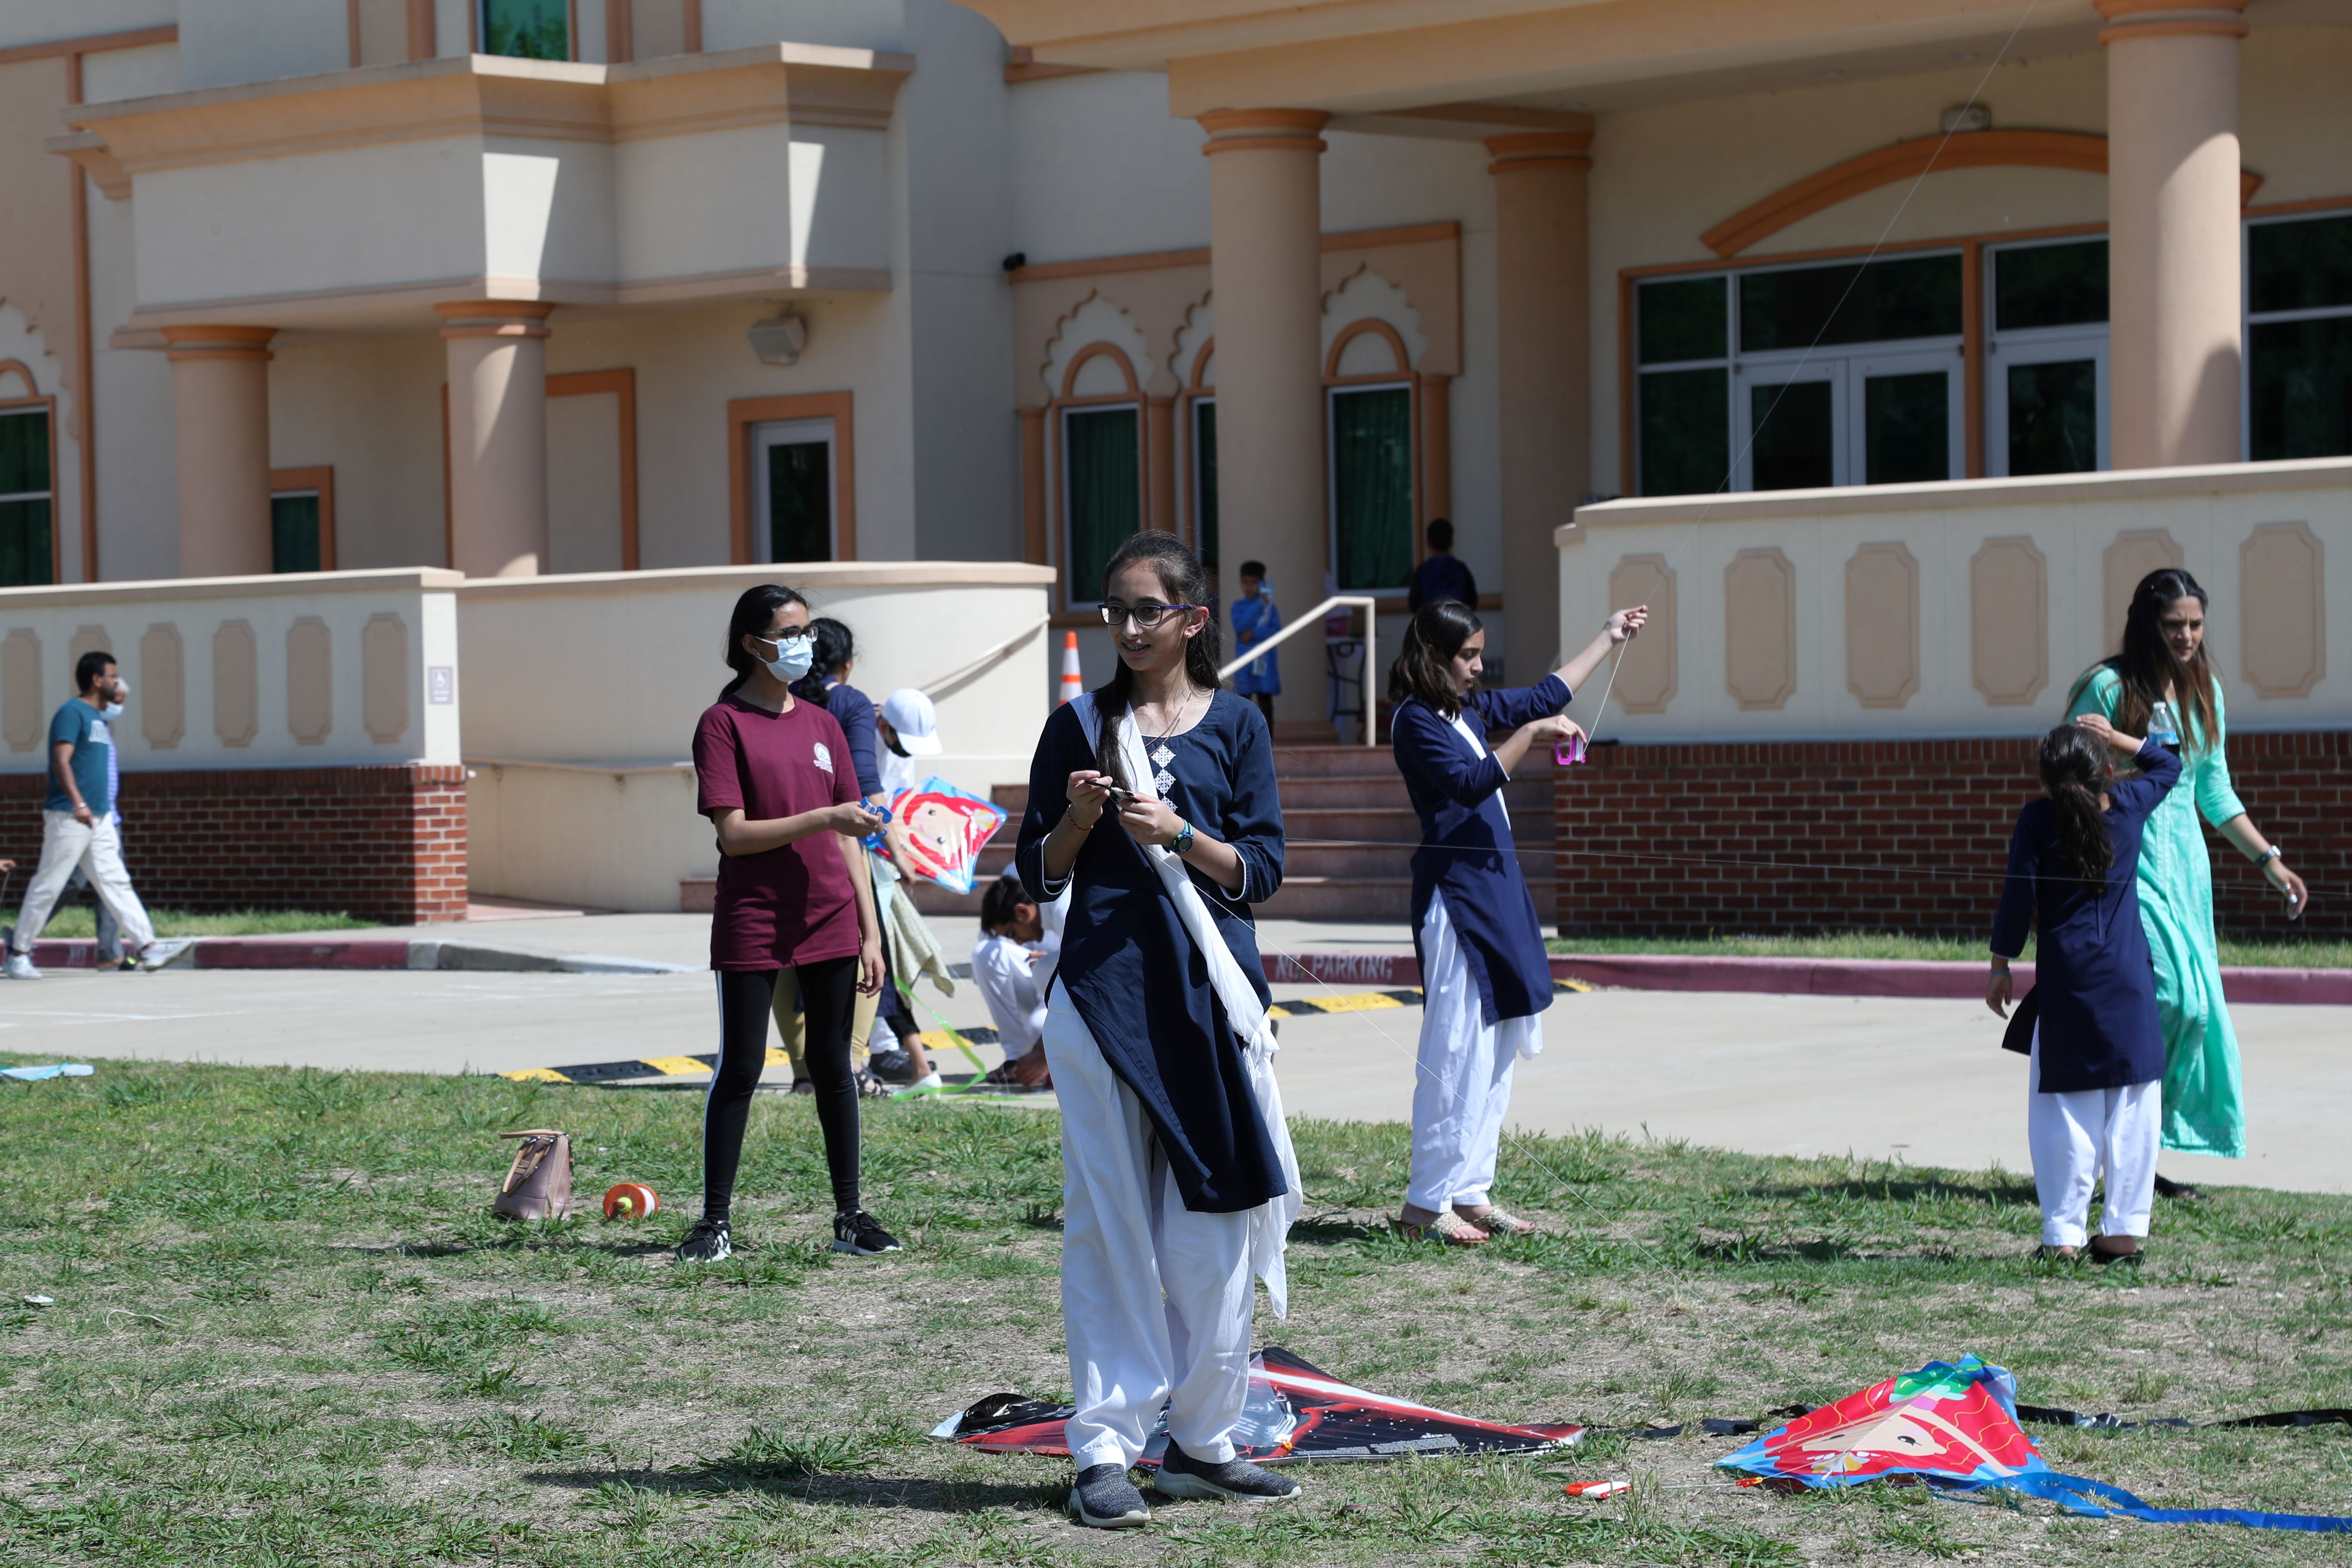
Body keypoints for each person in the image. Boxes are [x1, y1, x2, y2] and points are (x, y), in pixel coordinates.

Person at [1016, 529, 1298, 1527]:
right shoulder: (1076, 728)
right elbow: (1033, 875)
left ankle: (1201, 1440)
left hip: (1206, 1007)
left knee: (1211, 1236)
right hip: (1101, 1001)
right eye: (1114, 611)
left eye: (1147, 610)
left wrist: (1180, 835)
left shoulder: (1237, 727)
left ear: (1191, 619)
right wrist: (1079, 825)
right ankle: (1102, 1446)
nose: (1127, 627)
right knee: (1109, 1231)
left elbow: (1260, 869)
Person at [1387, 597, 1648, 1245]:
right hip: (1456, 900)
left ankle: (1470, 1191)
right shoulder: (1415, 722)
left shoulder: (1466, 707)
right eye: (1468, 656)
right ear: (1434, 658)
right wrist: (1533, 737)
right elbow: (1472, 781)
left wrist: (1608, 636)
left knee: (1498, 1046)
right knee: (1456, 1049)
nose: (1479, 667)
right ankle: (1425, 1205)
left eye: (1480, 654)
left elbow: (1543, 694)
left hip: (1497, 893)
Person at [2065, 568, 2310, 1191]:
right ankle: (2111, 1154)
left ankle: (2139, 1156)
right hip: (2125, 864)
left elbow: (2213, 788)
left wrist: (2269, 861)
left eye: (2196, 625)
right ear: (2148, 623)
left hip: (2185, 870)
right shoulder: (2108, 687)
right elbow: (2067, 774)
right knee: (2166, 998)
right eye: (2175, 625)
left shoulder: (2205, 692)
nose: (2188, 637)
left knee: (2196, 1010)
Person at [683, 584, 898, 1264]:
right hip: (754, 916)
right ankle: (714, 1222)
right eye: (788, 632)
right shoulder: (722, 724)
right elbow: (736, 835)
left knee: (836, 1067)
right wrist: (825, 818)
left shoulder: (824, 723)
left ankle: (851, 1216)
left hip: (832, 914)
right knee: (742, 1067)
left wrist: (870, 931)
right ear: (753, 644)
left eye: (806, 631)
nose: (803, 644)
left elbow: (851, 840)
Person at [1988, 717, 2182, 1262]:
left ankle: (2064, 1239)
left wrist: (2000, 964)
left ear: (2046, 780)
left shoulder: (2037, 819)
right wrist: (2119, 737)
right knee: (2133, 1106)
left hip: (2067, 982)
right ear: (2107, 771)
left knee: (2065, 1113)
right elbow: (2170, 764)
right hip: (2128, 982)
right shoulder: (2129, 806)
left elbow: (2016, 896)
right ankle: (2122, 1237)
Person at [772, 618, 890, 1096]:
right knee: (866, 947)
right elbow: (868, 793)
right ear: (847, 663)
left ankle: (803, 1073)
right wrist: (887, 832)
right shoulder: (849, 703)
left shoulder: (775, 696)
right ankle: (852, 1067)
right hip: (839, 851)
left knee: (784, 958)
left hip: (775, 845)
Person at [6, 652, 163, 981]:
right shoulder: (71, 713)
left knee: (116, 882)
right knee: (49, 884)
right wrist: (78, 804)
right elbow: (61, 761)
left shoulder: (98, 717)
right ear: (97, 680)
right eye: (113, 677)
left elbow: (117, 703)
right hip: (70, 815)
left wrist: (94, 809)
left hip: (101, 817)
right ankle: (18, 955)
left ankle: (149, 949)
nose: (117, 683)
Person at [869, 686, 953, 1091]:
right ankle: (893, 1053)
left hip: (884, 862)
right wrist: (896, 855)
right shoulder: (858, 736)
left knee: (889, 955)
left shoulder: (901, 745)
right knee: (879, 954)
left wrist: (904, 854)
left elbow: (898, 807)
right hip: (862, 859)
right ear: (882, 725)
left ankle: (889, 1051)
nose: (906, 753)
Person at [971, 873, 1058, 1089]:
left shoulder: (1062, 909)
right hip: (1049, 992)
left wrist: (1042, 1053)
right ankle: (1019, 1058)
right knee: (987, 952)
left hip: (1080, 994)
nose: (1019, 942)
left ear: (1023, 911)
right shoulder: (1020, 884)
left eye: (1013, 933)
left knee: (1043, 1025)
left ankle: (1048, 1063)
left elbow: (1091, 970)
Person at [1228, 561, 1280, 725]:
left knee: (1266, 706)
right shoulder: (1238, 606)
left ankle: (1269, 746)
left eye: (1254, 583)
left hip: (1264, 664)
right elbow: (1240, 626)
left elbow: (1276, 630)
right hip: (1246, 664)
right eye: (1246, 583)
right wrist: (1259, 605)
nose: (1249, 587)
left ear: (1262, 584)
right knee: (1244, 708)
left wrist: (1254, 632)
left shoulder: (1270, 609)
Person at [1407, 518, 1479, 612]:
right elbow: (1472, 602)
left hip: (1429, 623)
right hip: (1457, 623)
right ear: (1452, 543)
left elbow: (1414, 604)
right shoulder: (1461, 570)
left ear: (1428, 543)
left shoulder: (1422, 572)